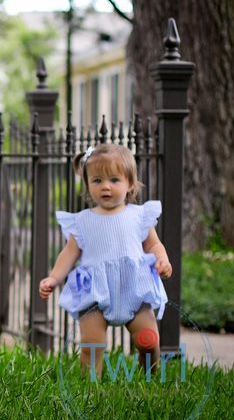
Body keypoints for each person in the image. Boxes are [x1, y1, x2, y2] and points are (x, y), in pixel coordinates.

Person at [39, 143, 172, 378]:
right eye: (97, 180)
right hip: (95, 292)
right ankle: (91, 388)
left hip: (134, 288)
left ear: (130, 183)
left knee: (148, 340)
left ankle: (149, 375)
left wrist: (161, 259)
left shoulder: (140, 215)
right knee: (92, 344)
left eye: (114, 179)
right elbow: (69, 253)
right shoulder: (82, 221)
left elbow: (152, 244)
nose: (106, 186)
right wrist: (53, 277)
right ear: (88, 185)